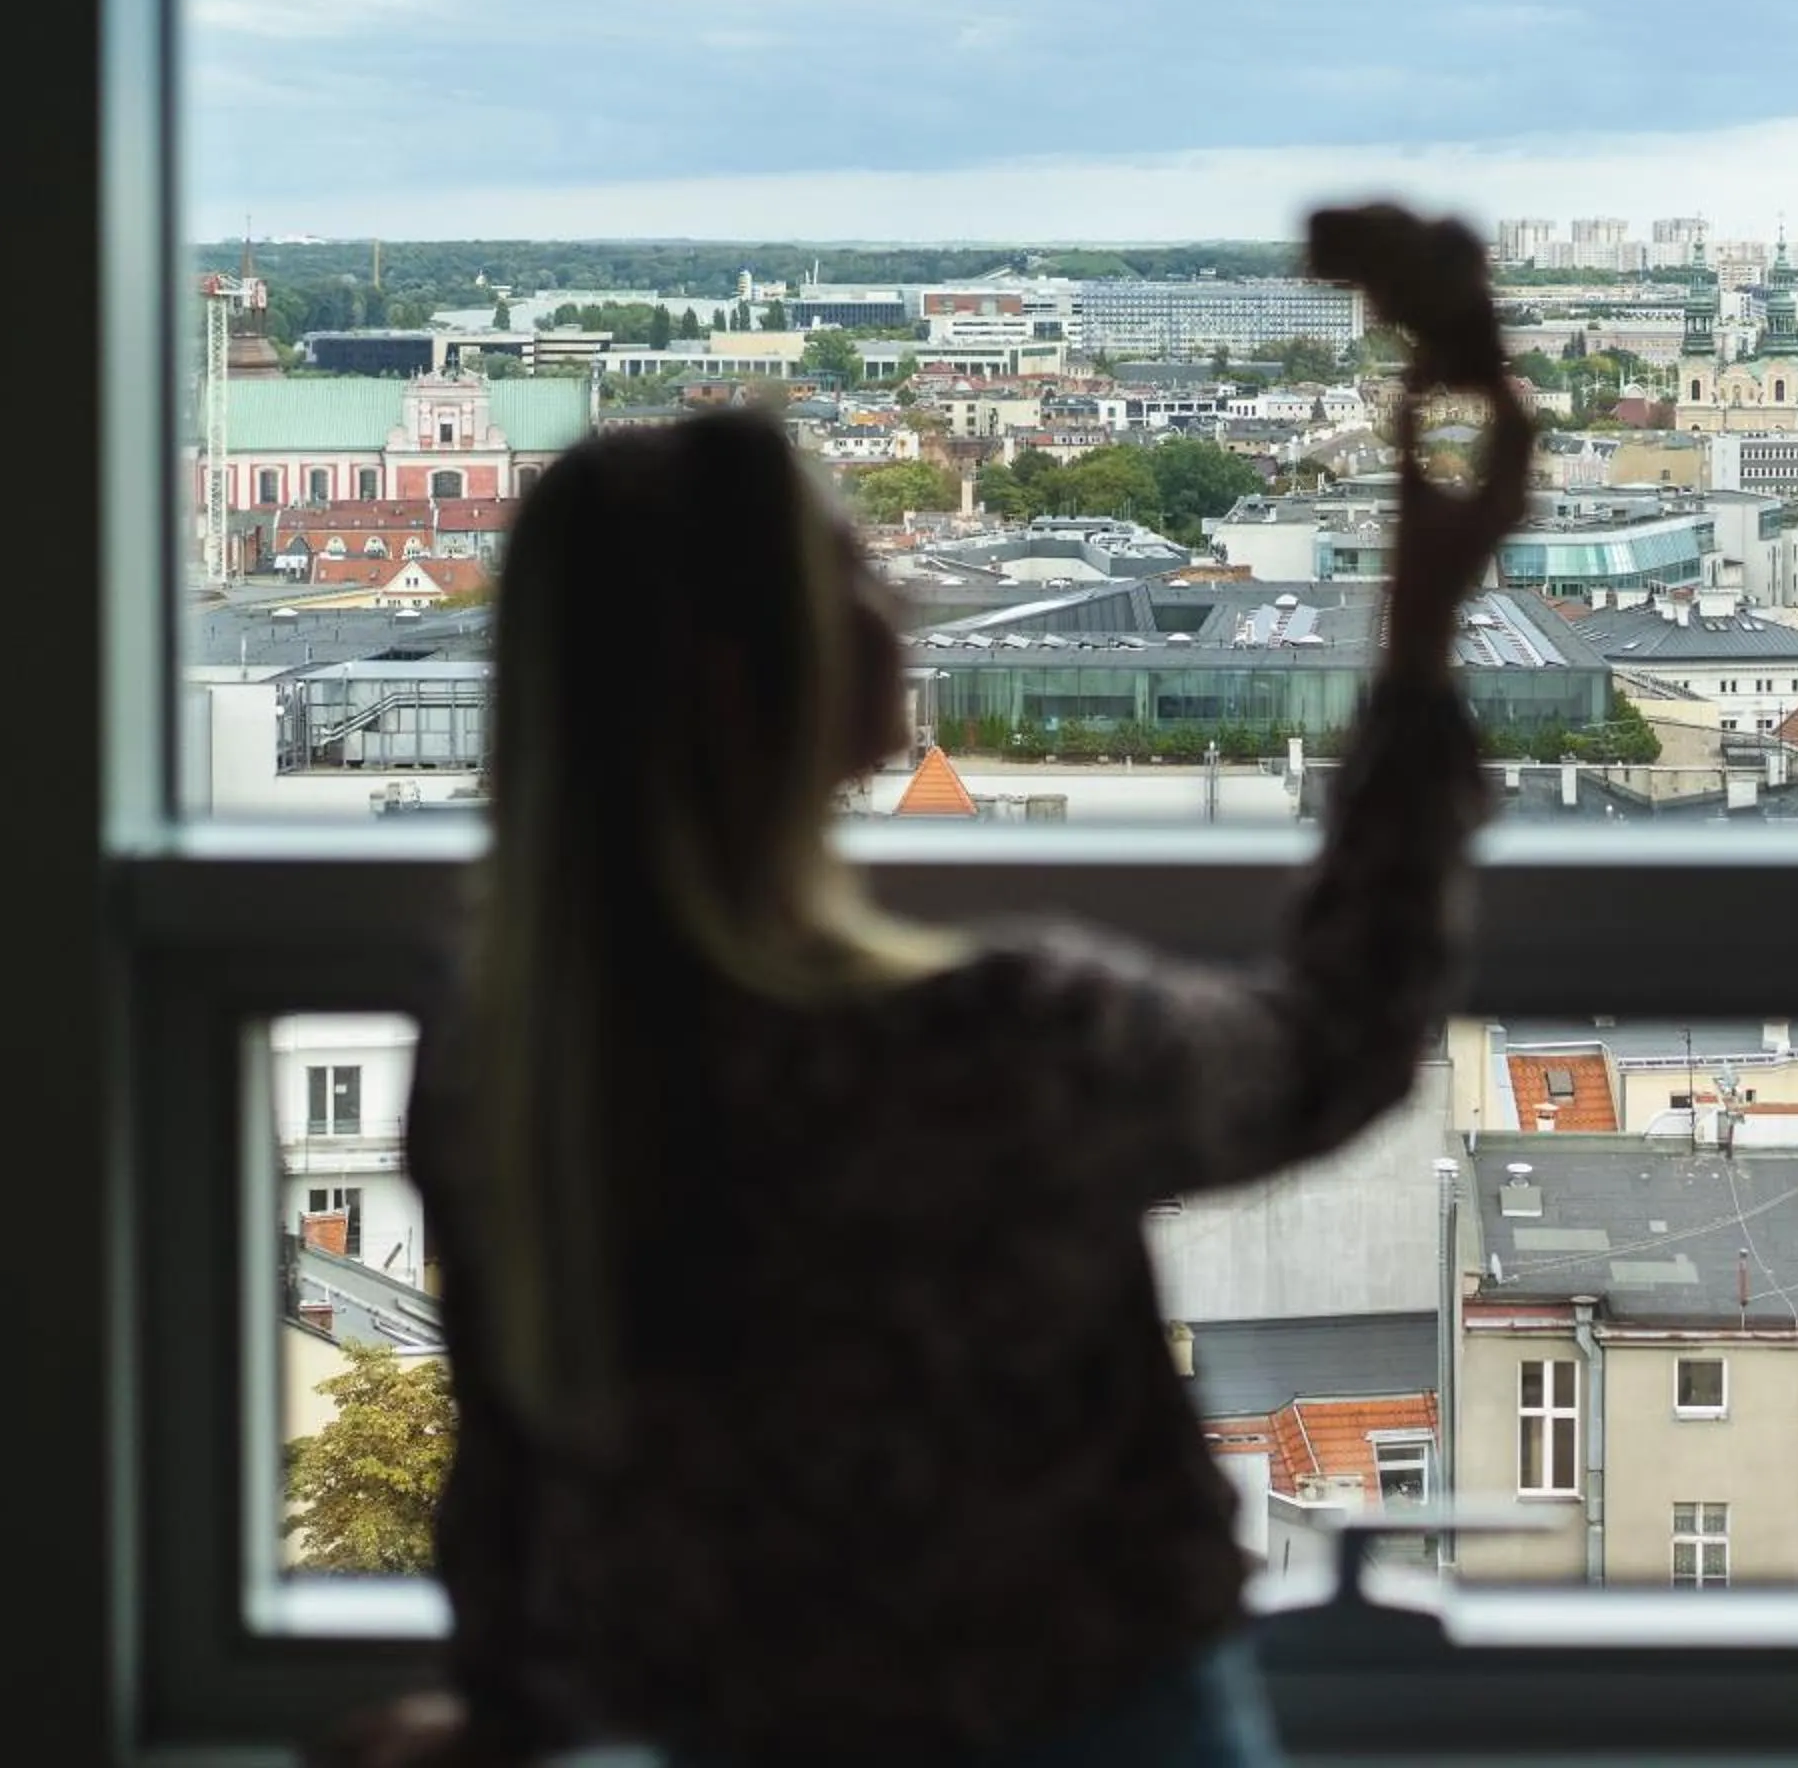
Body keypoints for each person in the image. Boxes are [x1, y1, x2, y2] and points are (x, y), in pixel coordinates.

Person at [320, 207, 1533, 1768]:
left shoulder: (510, 1060)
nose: (900, 599)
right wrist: (1420, 642)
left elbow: (511, 1492)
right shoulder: (986, 1044)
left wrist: (493, 1721)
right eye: (850, 572)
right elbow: (1334, 1042)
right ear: (752, 682)